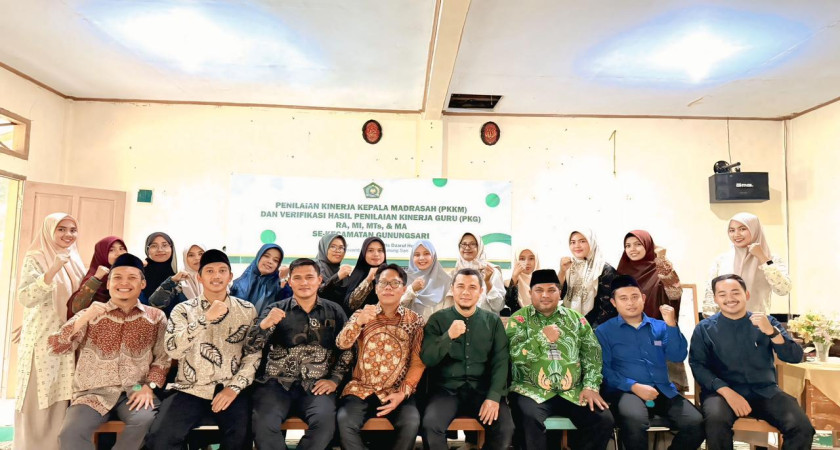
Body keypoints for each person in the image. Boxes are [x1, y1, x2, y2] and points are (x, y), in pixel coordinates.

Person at [50, 253, 171, 450]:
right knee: (70, 433)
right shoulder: (90, 314)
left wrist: (148, 387)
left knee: (145, 419)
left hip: (136, 389)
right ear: (108, 284)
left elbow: (163, 359)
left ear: (142, 283)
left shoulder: (156, 317)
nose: (124, 283)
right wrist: (83, 318)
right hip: (92, 392)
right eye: (117, 277)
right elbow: (56, 346)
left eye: (132, 278)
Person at [146, 249, 261, 450]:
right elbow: (173, 350)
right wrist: (204, 319)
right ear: (199, 277)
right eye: (209, 271)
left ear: (230, 276)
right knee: (160, 439)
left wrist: (234, 388)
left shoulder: (247, 309)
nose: (216, 276)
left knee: (240, 438)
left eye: (222, 271)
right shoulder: (183, 309)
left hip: (230, 387)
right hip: (190, 388)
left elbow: (253, 354)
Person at [690, 274, 813, 450]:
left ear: (746, 295)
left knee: (801, 427)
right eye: (722, 294)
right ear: (716, 299)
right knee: (716, 422)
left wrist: (772, 332)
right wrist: (727, 392)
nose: (730, 298)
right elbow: (698, 365)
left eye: (735, 292)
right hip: (722, 394)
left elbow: (794, 357)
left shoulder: (767, 322)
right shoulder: (704, 328)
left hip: (765, 391)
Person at [245, 258, 353, 450]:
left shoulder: (334, 311)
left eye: (309, 277)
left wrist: (334, 380)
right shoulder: (275, 309)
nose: (304, 282)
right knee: (263, 424)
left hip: (316, 386)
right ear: (289, 282)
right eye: (297, 278)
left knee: (325, 424)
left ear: (319, 280)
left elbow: (347, 349)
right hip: (275, 384)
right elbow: (250, 347)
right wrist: (265, 325)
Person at [506, 269, 613, 450]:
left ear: (560, 292)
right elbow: (514, 356)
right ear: (530, 293)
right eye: (539, 290)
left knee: (603, 419)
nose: (545, 295)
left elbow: (592, 355)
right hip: (530, 391)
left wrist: (590, 386)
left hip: (573, 392)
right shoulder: (519, 320)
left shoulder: (576, 320)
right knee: (529, 419)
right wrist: (542, 338)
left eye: (551, 290)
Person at [595, 275, 704, 450]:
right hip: (626, 392)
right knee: (634, 420)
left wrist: (671, 324)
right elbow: (604, 370)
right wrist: (633, 386)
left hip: (662, 390)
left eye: (635, 297)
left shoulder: (661, 326)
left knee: (696, 422)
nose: (630, 302)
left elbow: (678, 355)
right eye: (623, 298)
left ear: (643, 298)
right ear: (614, 303)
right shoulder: (603, 331)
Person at [14, 213, 86, 450]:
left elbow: (78, 300)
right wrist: (52, 270)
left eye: (73, 230)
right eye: (61, 229)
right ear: (49, 231)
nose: (68, 234)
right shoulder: (36, 257)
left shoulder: (75, 259)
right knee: (38, 394)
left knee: (60, 393)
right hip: (42, 338)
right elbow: (26, 297)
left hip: (68, 338)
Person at [420, 268, 513, 450]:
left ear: (480, 291)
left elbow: (501, 362)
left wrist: (494, 397)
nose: (465, 292)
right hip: (446, 391)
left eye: (472, 287)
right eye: (460, 286)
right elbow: (428, 358)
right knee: (431, 426)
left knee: (505, 429)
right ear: (452, 289)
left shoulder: (492, 322)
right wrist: (448, 336)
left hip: (482, 390)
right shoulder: (437, 320)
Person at [336, 264, 424, 450]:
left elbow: (417, 363)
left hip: (396, 390)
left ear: (404, 289)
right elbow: (342, 344)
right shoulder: (361, 314)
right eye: (383, 283)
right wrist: (358, 323)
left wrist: (402, 393)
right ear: (376, 288)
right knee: (344, 421)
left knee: (411, 422)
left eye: (395, 283)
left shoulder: (415, 321)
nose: (388, 287)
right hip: (361, 388)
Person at [703, 213, 791, 316]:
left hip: (757, 322)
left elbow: (783, 290)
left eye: (742, 229)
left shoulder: (771, 259)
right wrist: (710, 322)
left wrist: (762, 257)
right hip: (725, 322)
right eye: (732, 230)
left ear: (755, 230)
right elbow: (710, 295)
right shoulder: (721, 260)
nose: (736, 234)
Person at [560, 228, 618, 326]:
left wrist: (589, 330)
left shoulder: (605, 270)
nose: (577, 246)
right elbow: (561, 296)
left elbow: (608, 308)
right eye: (573, 242)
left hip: (595, 327)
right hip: (570, 324)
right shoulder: (570, 267)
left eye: (582, 241)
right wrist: (562, 271)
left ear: (592, 242)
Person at [66, 236, 128, 318]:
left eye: (121, 248)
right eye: (111, 250)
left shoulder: (131, 273)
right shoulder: (95, 276)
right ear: (101, 254)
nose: (118, 253)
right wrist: (96, 278)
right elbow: (76, 308)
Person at [444, 232, 505, 314]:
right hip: (457, 321)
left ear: (479, 247)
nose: (467, 247)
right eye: (464, 244)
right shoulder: (452, 275)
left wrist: (488, 283)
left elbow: (498, 306)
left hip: (484, 321)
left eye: (472, 244)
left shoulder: (492, 272)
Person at [230, 243, 292, 316]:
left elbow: (286, 306)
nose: (270, 261)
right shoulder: (238, 284)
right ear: (259, 257)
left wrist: (283, 280)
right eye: (266, 256)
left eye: (275, 260)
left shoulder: (279, 286)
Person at [148, 243, 205, 316]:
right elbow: (154, 304)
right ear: (185, 259)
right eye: (191, 255)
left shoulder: (214, 279)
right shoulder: (179, 282)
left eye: (201, 254)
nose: (197, 258)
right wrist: (172, 281)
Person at [401, 240, 452, 321]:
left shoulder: (446, 281)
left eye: (426, 253)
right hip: (409, 327)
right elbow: (395, 308)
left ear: (433, 256)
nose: (421, 258)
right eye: (417, 255)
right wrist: (412, 289)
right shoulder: (403, 279)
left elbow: (449, 313)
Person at [344, 236, 387, 313]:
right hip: (359, 319)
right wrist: (368, 280)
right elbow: (350, 305)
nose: (376, 254)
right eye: (370, 250)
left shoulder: (390, 273)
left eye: (380, 250)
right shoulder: (357, 274)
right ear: (364, 253)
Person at [315, 233, 352, 304]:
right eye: (333, 246)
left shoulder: (342, 271)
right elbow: (316, 293)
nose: (337, 250)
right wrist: (337, 277)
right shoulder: (314, 267)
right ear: (324, 248)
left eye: (341, 248)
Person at [142, 232, 177, 302]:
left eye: (165, 245)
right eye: (154, 246)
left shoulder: (178, 273)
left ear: (171, 248)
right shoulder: (140, 272)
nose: (160, 250)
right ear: (147, 249)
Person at [505, 246, 540, 314]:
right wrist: (514, 277)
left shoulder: (544, 281)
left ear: (536, 260)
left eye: (531, 258)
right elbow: (510, 303)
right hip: (518, 319)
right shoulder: (508, 283)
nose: (527, 262)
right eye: (522, 259)